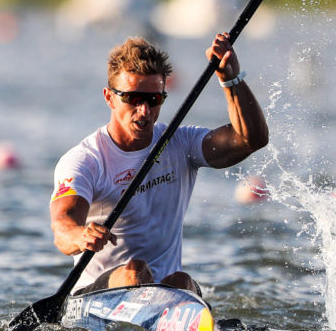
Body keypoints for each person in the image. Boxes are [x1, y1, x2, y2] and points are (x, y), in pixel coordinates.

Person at [50, 33, 268, 295]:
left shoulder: (181, 143)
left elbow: (250, 138)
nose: (144, 111)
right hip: (96, 293)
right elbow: (62, 227)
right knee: (135, 270)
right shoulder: (85, 160)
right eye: (133, 98)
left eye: (154, 100)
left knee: (182, 282)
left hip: (165, 289)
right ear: (109, 97)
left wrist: (230, 80)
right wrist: (80, 236)